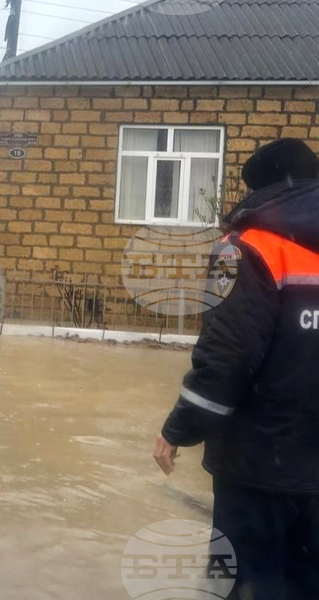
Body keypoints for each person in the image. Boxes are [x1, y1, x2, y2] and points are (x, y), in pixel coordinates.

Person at [153, 138, 319, 598]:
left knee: (244, 584)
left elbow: (227, 355)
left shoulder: (242, 249)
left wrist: (178, 429)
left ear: (258, 191)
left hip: (259, 464)